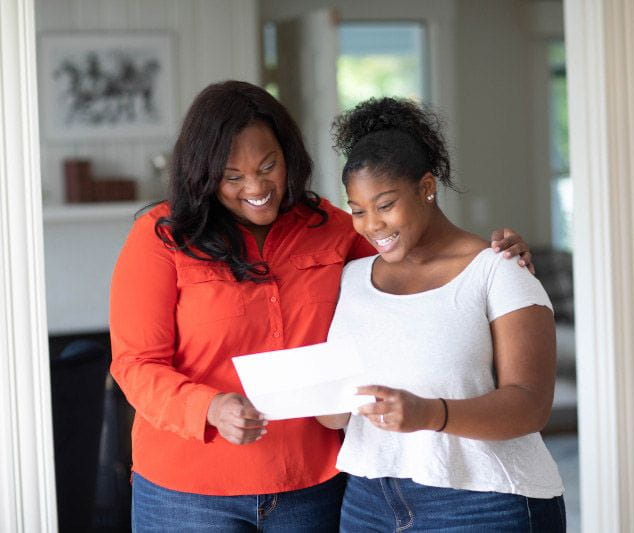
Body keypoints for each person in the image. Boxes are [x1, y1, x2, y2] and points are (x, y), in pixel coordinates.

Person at [108, 80, 534, 531]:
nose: (256, 187)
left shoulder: (334, 227)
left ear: (290, 156)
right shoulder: (161, 238)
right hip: (187, 494)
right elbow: (135, 363)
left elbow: (413, 265)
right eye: (232, 177)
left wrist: (489, 256)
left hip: (312, 487)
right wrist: (209, 409)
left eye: (268, 166)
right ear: (203, 173)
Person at [318, 97, 566, 532]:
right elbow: (335, 406)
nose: (372, 224)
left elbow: (531, 405)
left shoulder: (499, 270)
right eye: (358, 210)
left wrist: (430, 414)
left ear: (426, 188)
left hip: (485, 503)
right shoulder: (351, 278)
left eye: (386, 204)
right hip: (368, 503)